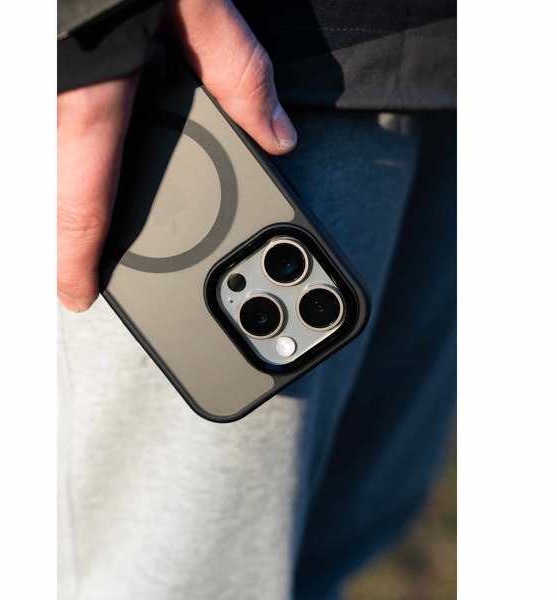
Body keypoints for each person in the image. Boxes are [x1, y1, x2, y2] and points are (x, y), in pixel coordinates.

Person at [57, 1, 456, 598]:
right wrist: (91, 29)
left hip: (446, 63)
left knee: (336, 546)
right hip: (242, 63)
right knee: (178, 574)